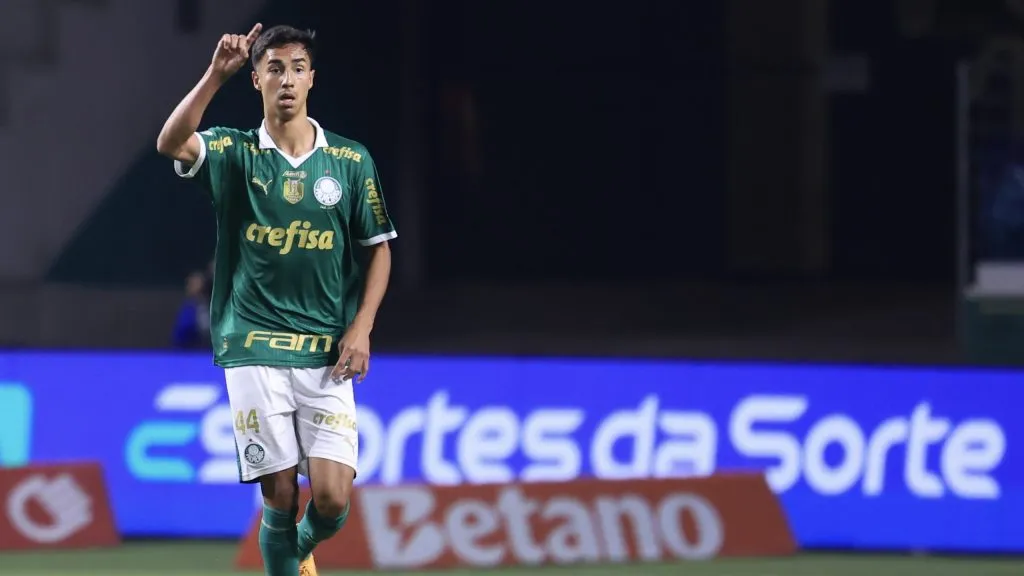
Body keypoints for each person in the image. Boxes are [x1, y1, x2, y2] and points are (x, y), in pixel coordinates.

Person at [156, 23, 396, 576]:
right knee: (281, 493)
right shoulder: (235, 153)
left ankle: (292, 553)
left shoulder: (351, 162)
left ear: (312, 79)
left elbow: (378, 250)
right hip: (253, 345)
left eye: (296, 68)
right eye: (274, 69)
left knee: (333, 502)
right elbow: (170, 141)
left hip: (325, 352)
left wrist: (361, 327)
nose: (285, 79)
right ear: (257, 79)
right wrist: (216, 74)